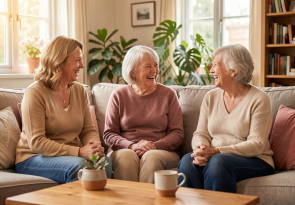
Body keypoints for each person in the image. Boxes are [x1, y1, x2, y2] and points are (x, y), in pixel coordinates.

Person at [15, 36, 112, 184]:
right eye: (77, 60)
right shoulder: (35, 93)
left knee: (105, 162)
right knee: (79, 167)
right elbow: (37, 142)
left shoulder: (80, 90)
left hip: (68, 157)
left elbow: (87, 130)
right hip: (32, 158)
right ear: (59, 61)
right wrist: (79, 152)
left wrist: (94, 150)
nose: (82, 66)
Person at [178, 44, 274, 193]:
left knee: (218, 162)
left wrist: (217, 151)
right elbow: (200, 133)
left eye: (216, 64)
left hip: (255, 160)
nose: (211, 70)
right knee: (187, 161)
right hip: (217, 156)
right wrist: (201, 149)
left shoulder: (259, 99)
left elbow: (257, 144)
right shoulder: (211, 97)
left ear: (233, 71)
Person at [103, 45, 184, 183]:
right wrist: (131, 146)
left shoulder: (168, 94)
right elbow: (109, 134)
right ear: (133, 72)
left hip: (161, 150)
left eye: (156, 65)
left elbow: (177, 134)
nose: (155, 70)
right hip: (125, 149)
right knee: (127, 157)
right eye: (148, 66)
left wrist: (155, 146)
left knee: (151, 157)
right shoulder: (119, 95)